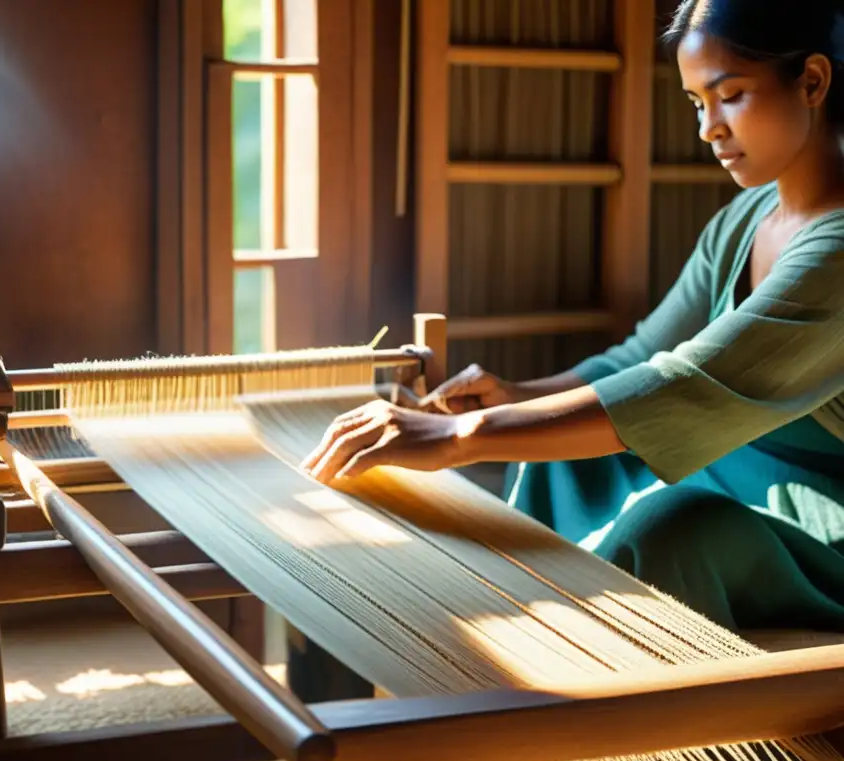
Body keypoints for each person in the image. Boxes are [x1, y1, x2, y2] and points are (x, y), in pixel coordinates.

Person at [302, 0, 844, 637]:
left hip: (823, 521)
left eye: (730, 95)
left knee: (668, 528)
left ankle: (601, 697)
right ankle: (523, 638)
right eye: (697, 103)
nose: (708, 129)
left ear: (811, 81)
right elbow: (639, 359)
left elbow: (688, 387)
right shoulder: (745, 219)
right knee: (555, 453)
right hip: (724, 463)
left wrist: (462, 436)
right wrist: (521, 398)